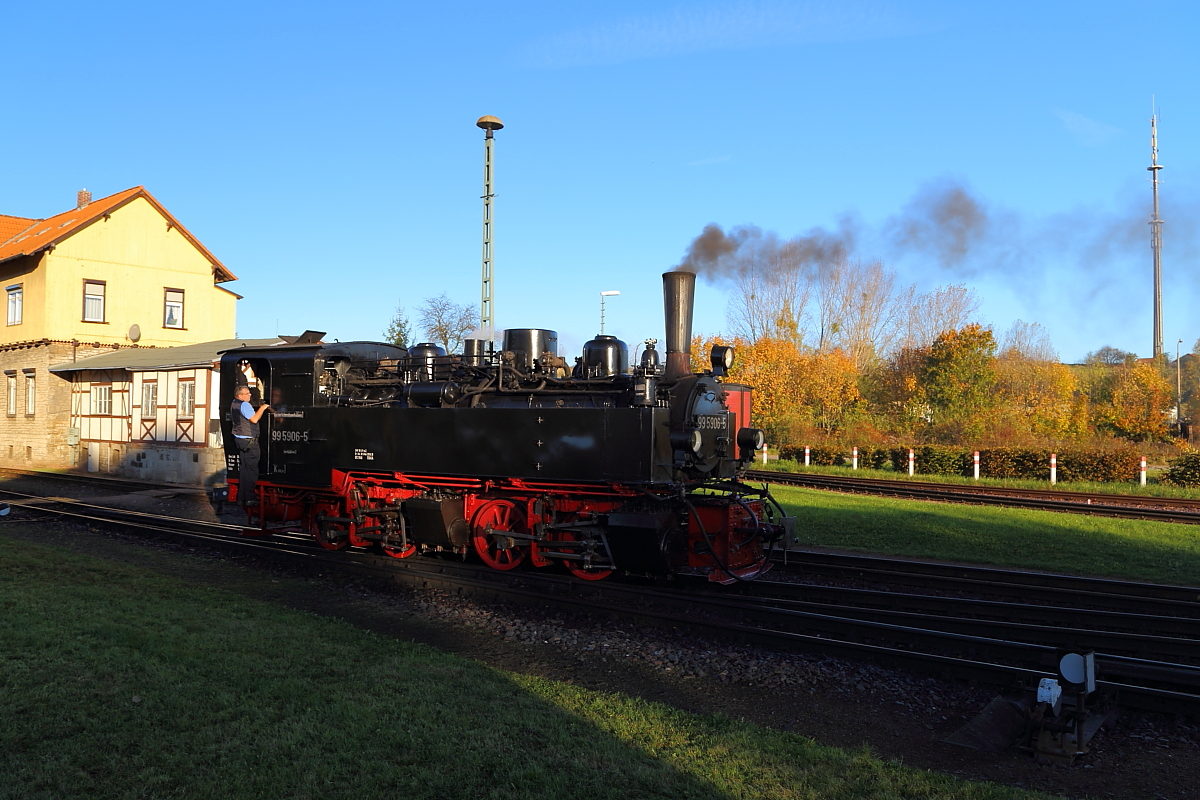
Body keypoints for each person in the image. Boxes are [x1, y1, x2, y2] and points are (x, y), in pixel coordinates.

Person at [231, 385, 271, 510]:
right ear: (240, 395)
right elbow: (254, 419)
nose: (249, 395)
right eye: (247, 393)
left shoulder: (234, 403)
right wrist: (263, 408)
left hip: (239, 440)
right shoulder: (245, 405)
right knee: (252, 470)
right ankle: (249, 498)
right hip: (249, 441)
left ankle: (241, 498)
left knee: (244, 469)